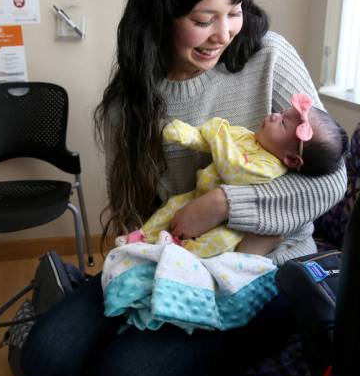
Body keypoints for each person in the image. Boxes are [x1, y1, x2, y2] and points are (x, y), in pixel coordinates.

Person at [20, 0, 347, 376]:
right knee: (45, 358)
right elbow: (144, 205)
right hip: (171, 254)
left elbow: (328, 182)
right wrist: (141, 256)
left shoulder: (268, 57)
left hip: (261, 270)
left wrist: (223, 202)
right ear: (161, 12)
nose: (223, 32)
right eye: (203, 18)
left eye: (235, 9)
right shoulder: (134, 97)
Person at [115, 95, 348, 258]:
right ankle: (141, 238)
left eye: (283, 122)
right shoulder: (248, 137)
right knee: (172, 207)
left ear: (291, 160)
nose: (275, 115)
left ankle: (180, 256)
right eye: (280, 112)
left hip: (240, 236)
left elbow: (233, 170)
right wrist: (188, 135)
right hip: (192, 200)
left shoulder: (268, 166)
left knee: (220, 241)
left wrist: (218, 136)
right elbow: (205, 140)